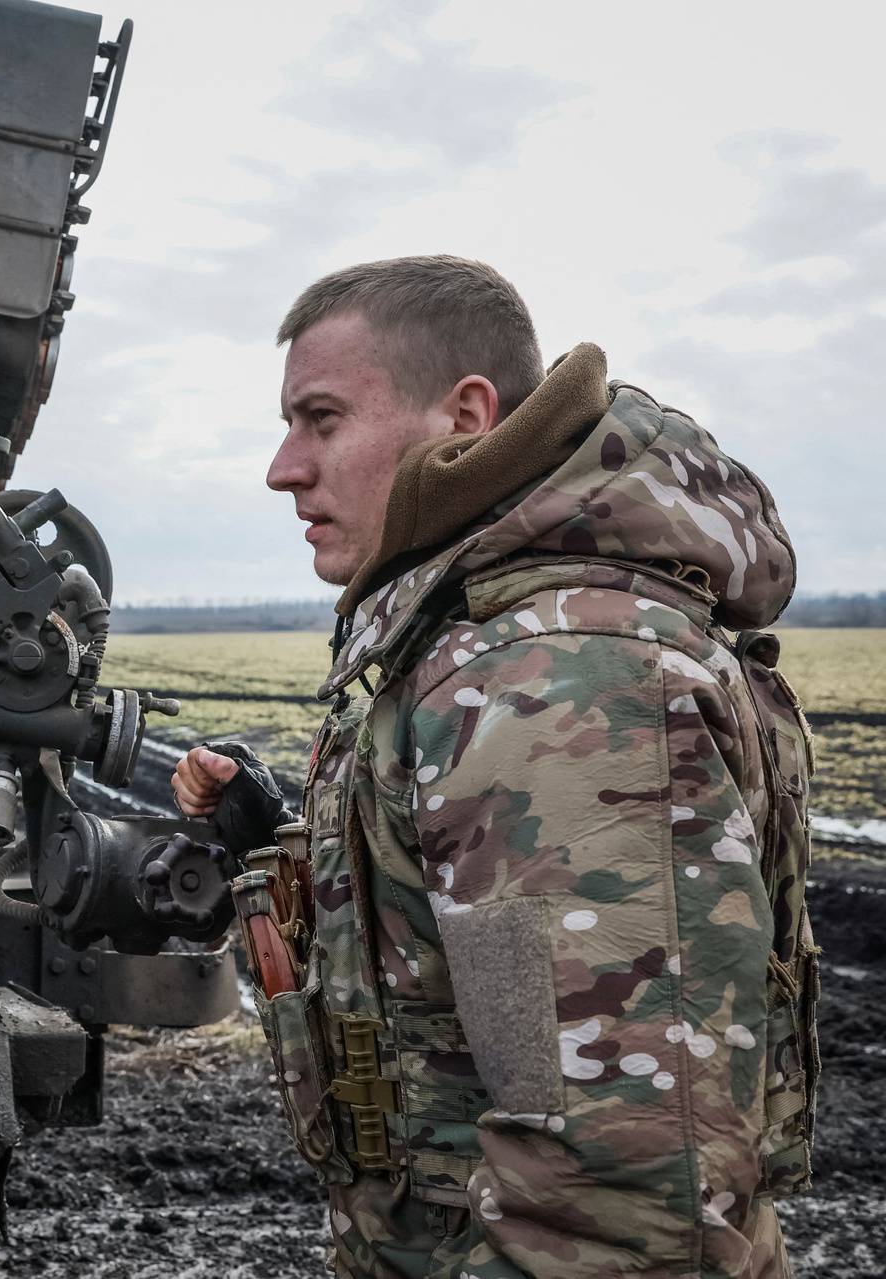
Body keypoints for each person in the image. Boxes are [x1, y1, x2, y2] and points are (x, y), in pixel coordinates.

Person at [172, 256, 817, 1278]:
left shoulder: (551, 676)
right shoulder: (486, 642)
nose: (284, 467)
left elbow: (616, 1198)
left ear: (466, 415)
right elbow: (487, 964)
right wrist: (283, 847)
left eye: (322, 418)